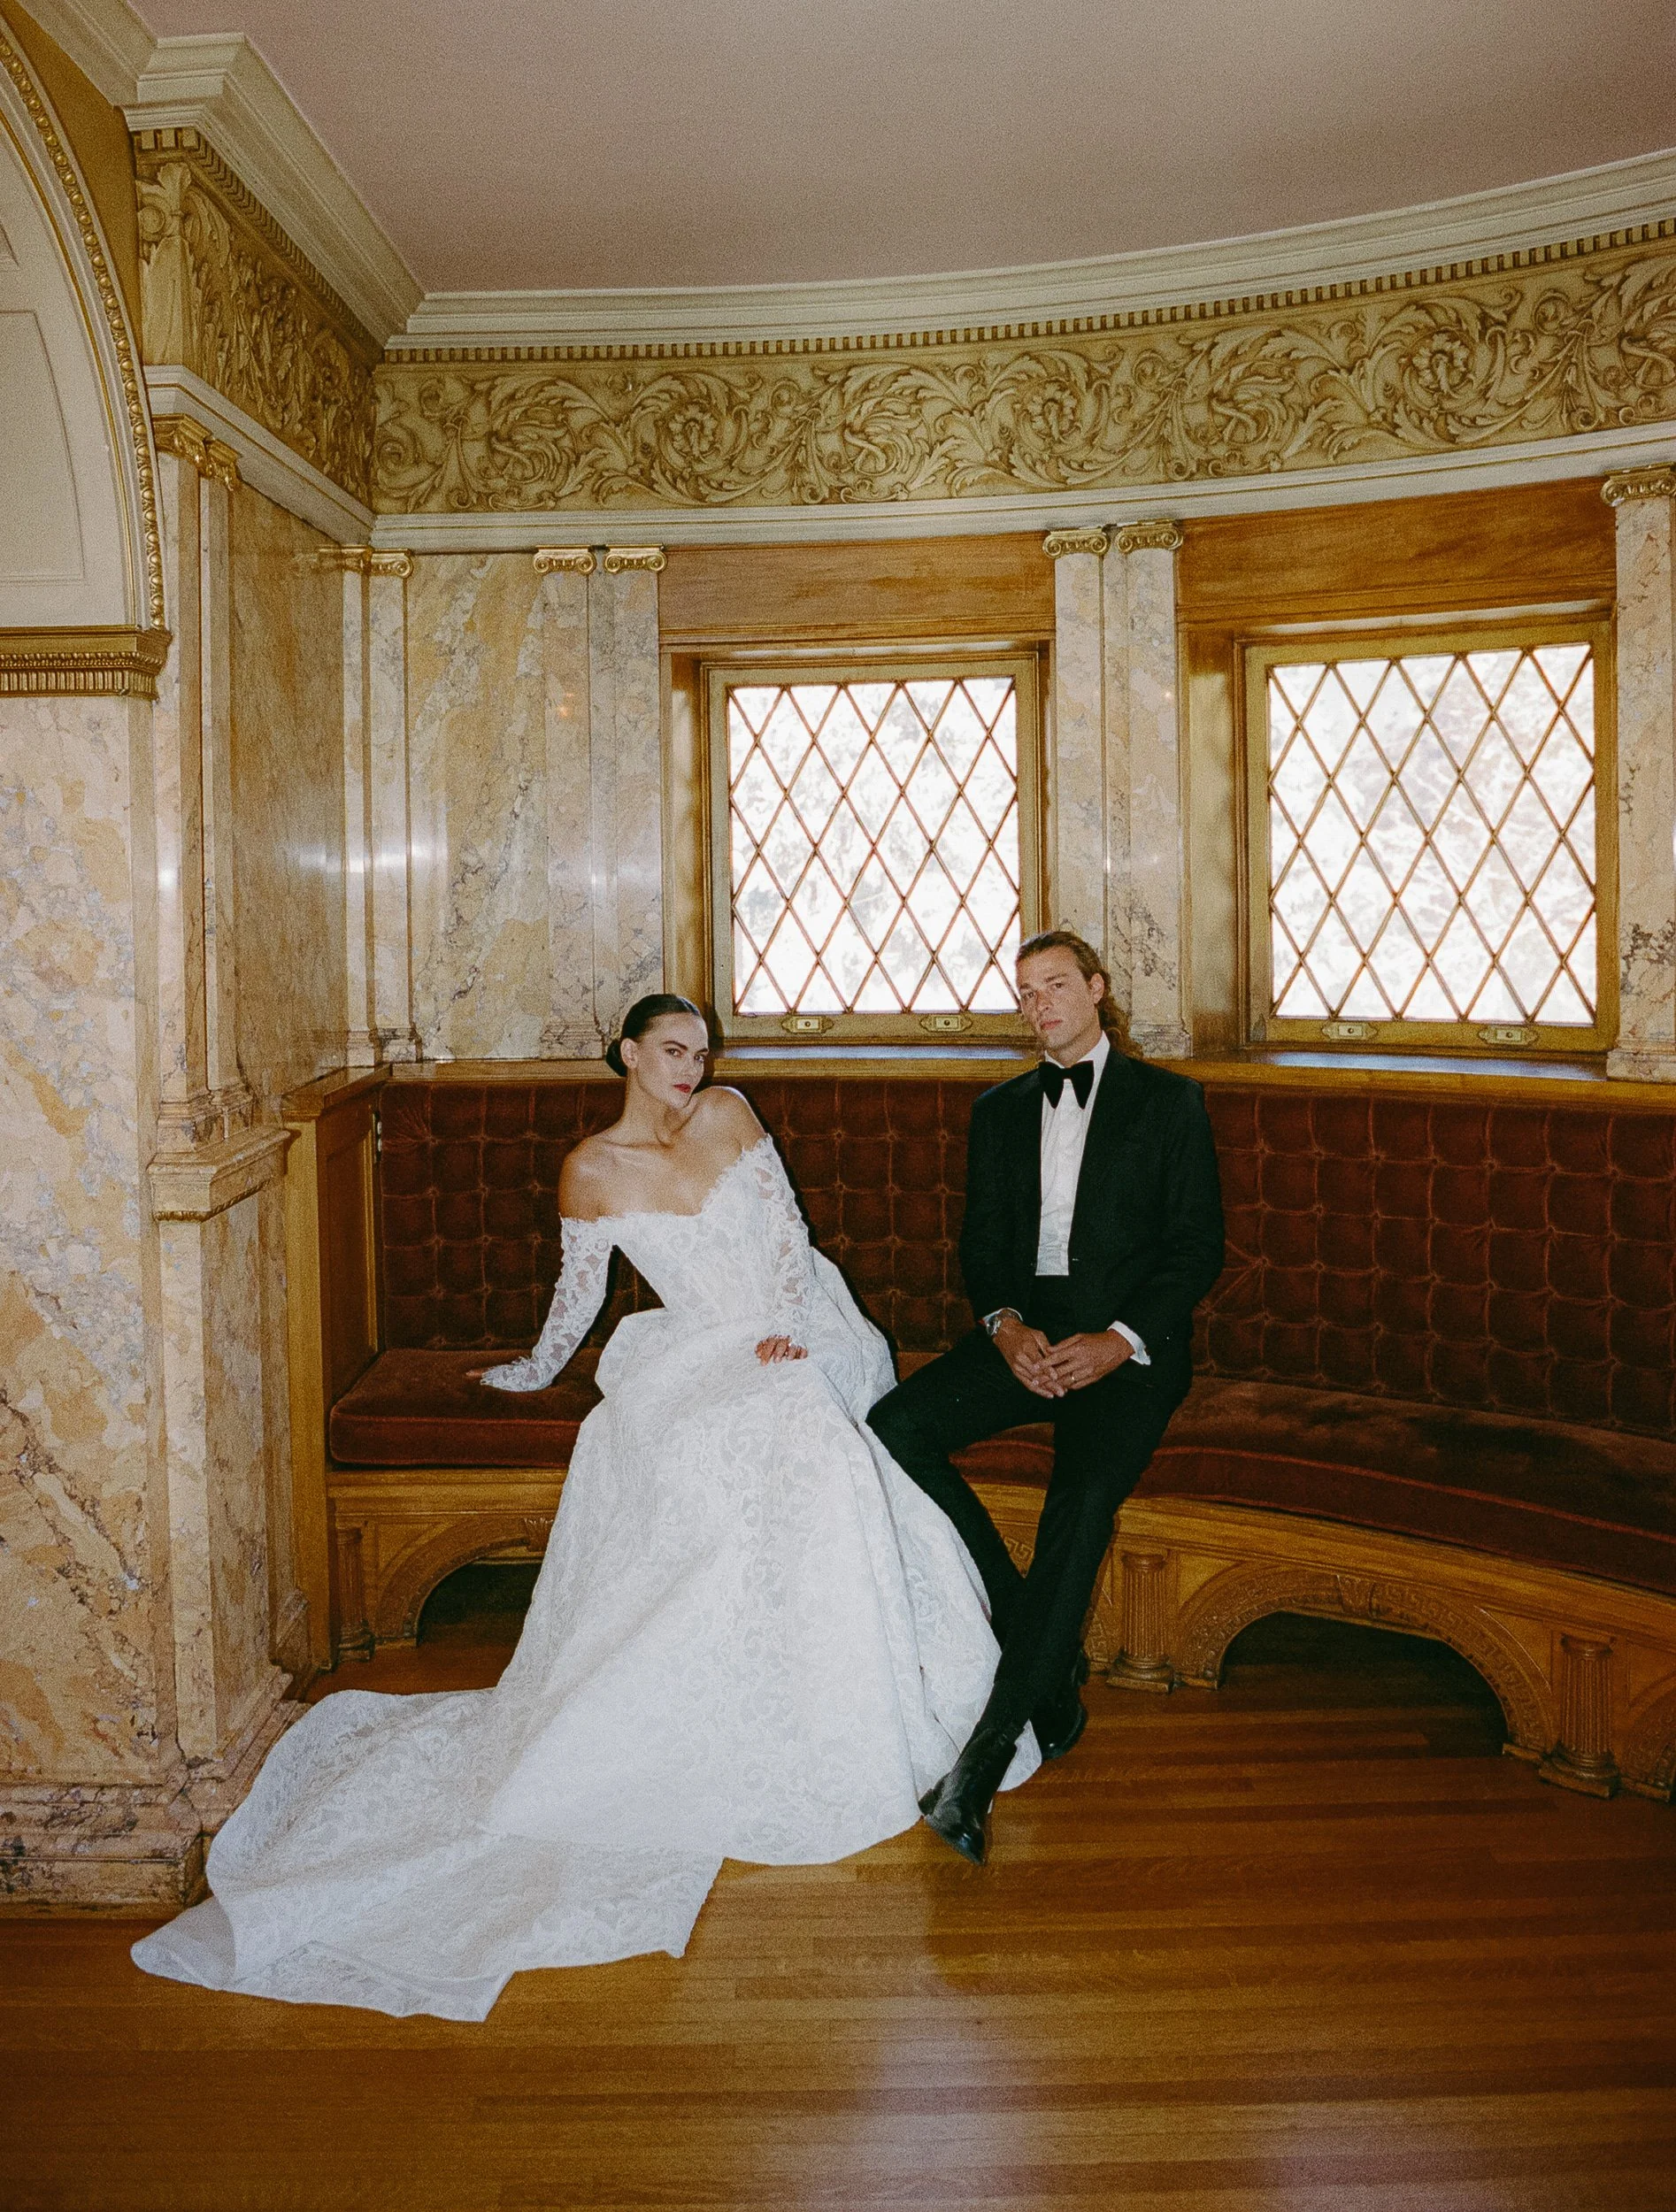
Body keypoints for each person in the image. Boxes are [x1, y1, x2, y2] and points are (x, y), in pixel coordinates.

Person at [131, 995, 1036, 2020]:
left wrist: (788, 1328)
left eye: (700, 1051)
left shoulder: (730, 1114)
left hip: (804, 1329)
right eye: (671, 1052)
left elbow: (788, 1235)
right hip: (696, 1347)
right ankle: (712, 1679)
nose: (690, 1069)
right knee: (704, 1439)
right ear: (626, 1053)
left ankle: (839, 1678)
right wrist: (530, 1369)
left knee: (802, 1424)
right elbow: (580, 1297)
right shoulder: (592, 1169)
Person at [868, 931, 1225, 1866]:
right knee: (895, 1425)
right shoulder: (998, 1110)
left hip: (1127, 1348)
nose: (1039, 1006)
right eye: (1024, 993)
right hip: (1029, 1337)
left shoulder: (1170, 1102)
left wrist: (1117, 1342)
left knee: (1080, 1499)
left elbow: (1196, 1250)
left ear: (1097, 990)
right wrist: (1004, 1326)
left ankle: (982, 1762)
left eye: (1055, 986)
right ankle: (1037, 1634)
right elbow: (981, 1247)